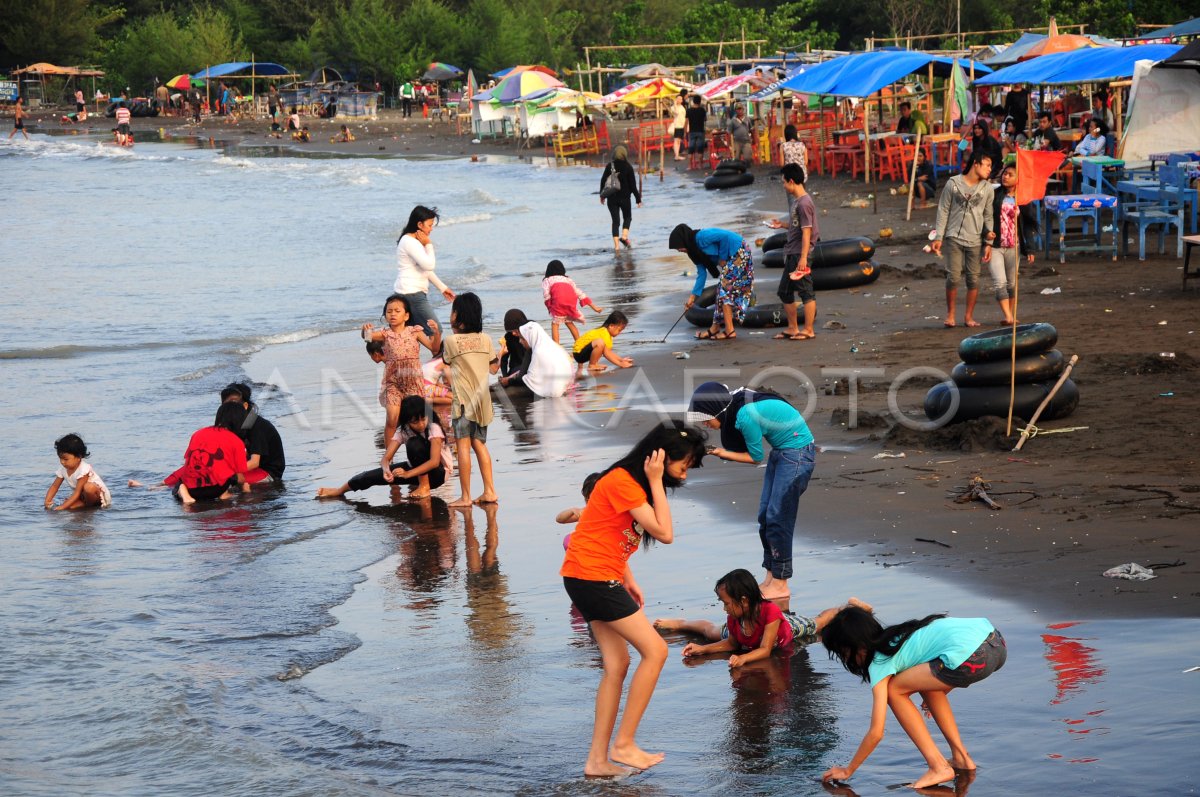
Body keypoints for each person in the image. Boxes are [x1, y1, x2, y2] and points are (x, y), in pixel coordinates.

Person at [560, 421, 707, 776]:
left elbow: (605, 530)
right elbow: (665, 533)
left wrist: (628, 578)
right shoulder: (625, 481)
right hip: (592, 578)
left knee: (617, 665)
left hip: (587, 576)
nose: (685, 475)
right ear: (658, 456)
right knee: (655, 651)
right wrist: (657, 480)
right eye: (682, 465)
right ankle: (624, 743)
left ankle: (597, 761)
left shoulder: (627, 482)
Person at [819, 607, 1007, 789]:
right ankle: (961, 758)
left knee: (894, 690)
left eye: (842, 654)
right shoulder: (902, 636)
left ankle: (938, 767)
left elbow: (876, 732)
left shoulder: (879, 662)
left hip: (973, 657)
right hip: (995, 641)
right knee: (921, 679)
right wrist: (938, 688)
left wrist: (848, 770)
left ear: (853, 649)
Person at [687, 381, 816, 600]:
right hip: (782, 452)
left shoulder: (745, 416)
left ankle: (781, 583)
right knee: (765, 516)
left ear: (716, 411)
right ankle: (770, 577)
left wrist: (718, 452)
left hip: (797, 453)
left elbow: (755, 458)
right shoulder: (736, 406)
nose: (706, 424)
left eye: (706, 418)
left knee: (778, 517)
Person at [654, 570, 873, 666]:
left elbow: (766, 650)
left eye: (727, 603)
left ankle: (847, 607)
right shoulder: (735, 617)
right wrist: (703, 649)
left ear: (744, 601)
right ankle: (680, 623)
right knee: (709, 631)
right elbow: (731, 643)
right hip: (746, 633)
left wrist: (743, 659)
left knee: (818, 624)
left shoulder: (770, 612)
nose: (724, 608)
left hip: (783, 629)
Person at [317, 395, 452, 499]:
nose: (421, 424)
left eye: (423, 419)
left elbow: (434, 462)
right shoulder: (403, 431)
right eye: (415, 422)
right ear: (407, 421)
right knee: (367, 476)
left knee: (414, 443)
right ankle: (339, 491)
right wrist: (386, 470)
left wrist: (408, 474)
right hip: (415, 470)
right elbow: (386, 458)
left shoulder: (433, 428)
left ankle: (424, 486)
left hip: (438, 474)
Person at [441, 292, 499, 507]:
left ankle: (465, 496)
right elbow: (494, 368)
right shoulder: (486, 339)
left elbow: (447, 364)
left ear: (459, 316)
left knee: (463, 447)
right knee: (480, 445)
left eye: (453, 311)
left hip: (464, 403)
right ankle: (490, 491)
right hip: (483, 403)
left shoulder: (451, 342)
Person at [362, 294, 443, 444]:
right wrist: (365, 331)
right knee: (392, 419)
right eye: (389, 311)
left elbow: (434, 348)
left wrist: (436, 333)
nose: (392, 314)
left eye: (397, 311)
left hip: (414, 382)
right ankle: (388, 458)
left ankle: (422, 450)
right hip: (393, 383)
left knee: (418, 420)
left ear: (406, 316)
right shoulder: (385, 334)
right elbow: (368, 338)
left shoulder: (415, 331)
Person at [932, 152, 995, 329]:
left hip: (975, 240)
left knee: (973, 280)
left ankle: (968, 317)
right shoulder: (953, 184)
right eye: (987, 165)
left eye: (991, 166)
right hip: (954, 237)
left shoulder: (987, 189)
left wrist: (989, 238)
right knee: (953, 277)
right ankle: (950, 315)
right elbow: (943, 210)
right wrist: (939, 237)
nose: (990, 169)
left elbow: (988, 215)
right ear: (976, 164)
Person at [143, 402, 248, 505]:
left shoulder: (198, 434)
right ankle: (223, 494)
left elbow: (189, 463)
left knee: (181, 482)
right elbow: (240, 477)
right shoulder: (237, 441)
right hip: (217, 489)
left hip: (192, 490)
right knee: (229, 475)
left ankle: (182, 491)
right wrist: (245, 490)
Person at [671, 224, 753, 341]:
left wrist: (723, 258)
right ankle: (715, 327)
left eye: (678, 247)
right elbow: (701, 274)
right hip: (731, 257)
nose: (679, 250)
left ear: (683, 240)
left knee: (725, 290)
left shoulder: (702, 237)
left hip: (739, 250)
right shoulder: (693, 252)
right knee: (721, 290)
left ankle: (730, 331)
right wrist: (692, 297)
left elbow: (725, 237)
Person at [768, 163, 818, 342]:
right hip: (793, 251)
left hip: (799, 253)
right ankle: (792, 327)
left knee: (806, 292)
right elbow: (798, 226)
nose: (783, 186)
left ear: (791, 181)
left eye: (784, 182)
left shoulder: (804, 203)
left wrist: (803, 258)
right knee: (784, 291)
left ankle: (809, 329)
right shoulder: (798, 202)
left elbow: (807, 231)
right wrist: (782, 225)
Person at [989, 165, 1039, 325]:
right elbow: (985, 217)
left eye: (1010, 175)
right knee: (999, 282)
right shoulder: (994, 195)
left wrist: (1030, 248)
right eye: (1005, 173)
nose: (1005, 177)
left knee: (1012, 283)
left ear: (1018, 179)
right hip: (995, 245)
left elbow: (1028, 225)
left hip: (1014, 246)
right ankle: (1008, 316)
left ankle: (1009, 315)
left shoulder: (1023, 199)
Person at [395, 205, 455, 336]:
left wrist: (442, 288)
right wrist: (428, 244)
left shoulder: (410, 240)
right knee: (435, 331)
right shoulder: (410, 242)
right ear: (419, 224)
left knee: (411, 334)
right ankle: (438, 356)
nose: (431, 229)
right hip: (412, 294)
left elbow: (425, 269)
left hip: (407, 292)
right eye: (429, 225)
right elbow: (429, 265)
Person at [219, 383, 286, 489]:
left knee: (229, 483)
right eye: (226, 406)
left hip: (267, 471)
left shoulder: (256, 425)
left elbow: (255, 462)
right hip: (249, 467)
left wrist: (227, 471)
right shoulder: (236, 424)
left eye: (233, 405)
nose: (229, 410)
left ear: (245, 406)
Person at [543, 259, 603, 344]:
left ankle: (556, 346)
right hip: (571, 301)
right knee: (569, 322)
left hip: (558, 301)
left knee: (555, 324)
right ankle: (579, 344)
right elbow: (579, 292)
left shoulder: (547, 280)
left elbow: (546, 295)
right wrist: (594, 307)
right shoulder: (568, 279)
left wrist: (549, 307)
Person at [45, 434, 111, 510]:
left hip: (97, 496)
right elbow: (55, 486)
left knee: (88, 487)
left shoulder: (83, 470)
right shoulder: (63, 469)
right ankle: (83, 504)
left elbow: (77, 492)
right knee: (69, 508)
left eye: (66, 459)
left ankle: (88, 506)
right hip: (82, 496)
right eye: (60, 458)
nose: (62, 462)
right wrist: (47, 501)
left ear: (79, 457)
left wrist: (63, 506)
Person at [515, 319, 574, 398]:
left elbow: (530, 379)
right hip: (567, 388)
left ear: (530, 337)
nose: (520, 341)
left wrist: (510, 380)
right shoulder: (553, 346)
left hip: (555, 393)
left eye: (522, 338)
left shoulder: (538, 351)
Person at [599, 145, 642, 252]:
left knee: (615, 222)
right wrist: (638, 199)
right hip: (625, 198)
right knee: (627, 218)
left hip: (612, 198)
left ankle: (617, 247)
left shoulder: (610, 165)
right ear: (624, 154)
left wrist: (602, 195)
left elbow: (603, 180)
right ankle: (624, 237)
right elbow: (633, 186)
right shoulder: (628, 167)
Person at [498, 308, 532, 388]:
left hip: (530, 368)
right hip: (516, 368)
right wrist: (505, 375)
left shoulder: (530, 333)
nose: (513, 333)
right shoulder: (508, 337)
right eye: (510, 331)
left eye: (514, 330)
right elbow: (504, 359)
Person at [779, 124, 808, 191]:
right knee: (801, 195)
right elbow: (806, 162)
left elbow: (781, 164)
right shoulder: (802, 145)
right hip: (801, 176)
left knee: (792, 199)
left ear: (786, 135)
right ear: (795, 133)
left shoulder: (783, 146)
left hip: (789, 176)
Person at [685, 94, 707, 163]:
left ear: (693, 101)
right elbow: (705, 119)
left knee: (691, 148)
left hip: (692, 131)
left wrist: (685, 131)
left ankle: (690, 165)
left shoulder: (688, 110)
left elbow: (686, 122)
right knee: (700, 148)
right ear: (700, 102)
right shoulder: (702, 110)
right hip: (700, 131)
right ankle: (700, 165)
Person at [670, 92, 687, 161]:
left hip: (682, 125)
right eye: (678, 99)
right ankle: (676, 155)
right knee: (676, 140)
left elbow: (684, 116)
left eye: (681, 99)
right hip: (677, 125)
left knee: (679, 141)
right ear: (676, 99)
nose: (680, 100)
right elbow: (676, 112)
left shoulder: (682, 107)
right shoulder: (673, 107)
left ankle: (677, 155)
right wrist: (675, 103)